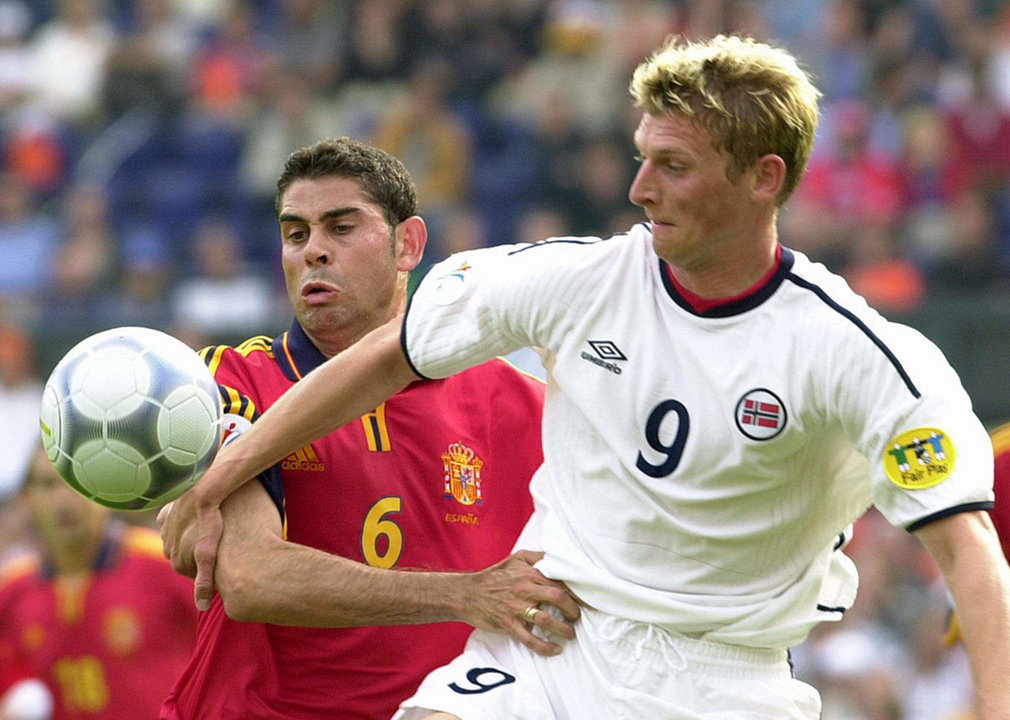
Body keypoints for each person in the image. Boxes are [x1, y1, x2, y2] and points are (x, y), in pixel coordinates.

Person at [162, 35, 1010, 719]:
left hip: (724, 676)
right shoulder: (579, 279)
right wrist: (221, 478)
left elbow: (969, 552)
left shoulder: (856, 353)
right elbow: (388, 356)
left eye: (674, 166)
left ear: (764, 178)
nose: (640, 188)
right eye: (640, 158)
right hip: (561, 646)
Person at [158, 137, 578, 720]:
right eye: (296, 234)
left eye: (341, 228)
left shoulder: (521, 406)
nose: (314, 253)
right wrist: (465, 594)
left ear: (408, 245)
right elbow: (253, 577)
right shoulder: (229, 381)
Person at [0, 445, 198, 720]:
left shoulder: (167, 565)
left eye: (78, 482)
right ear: (25, 499)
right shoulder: (10, 593)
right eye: (48, 484)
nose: (63, 499)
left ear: (109, 490)